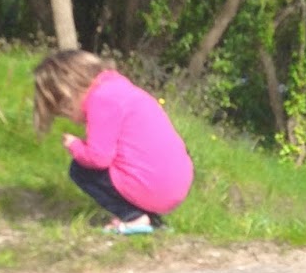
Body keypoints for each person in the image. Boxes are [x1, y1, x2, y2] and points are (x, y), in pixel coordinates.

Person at [33, 50, 194, 234]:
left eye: (66, 110)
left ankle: (133, 217)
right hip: (177, 184)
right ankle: (152, 220)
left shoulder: (100, 99)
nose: (72, 119)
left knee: (80, 170)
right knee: (125, 165)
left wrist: (75, 146)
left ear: (69, 93)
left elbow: (98, 158)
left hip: (153, 187)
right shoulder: (119, 88)